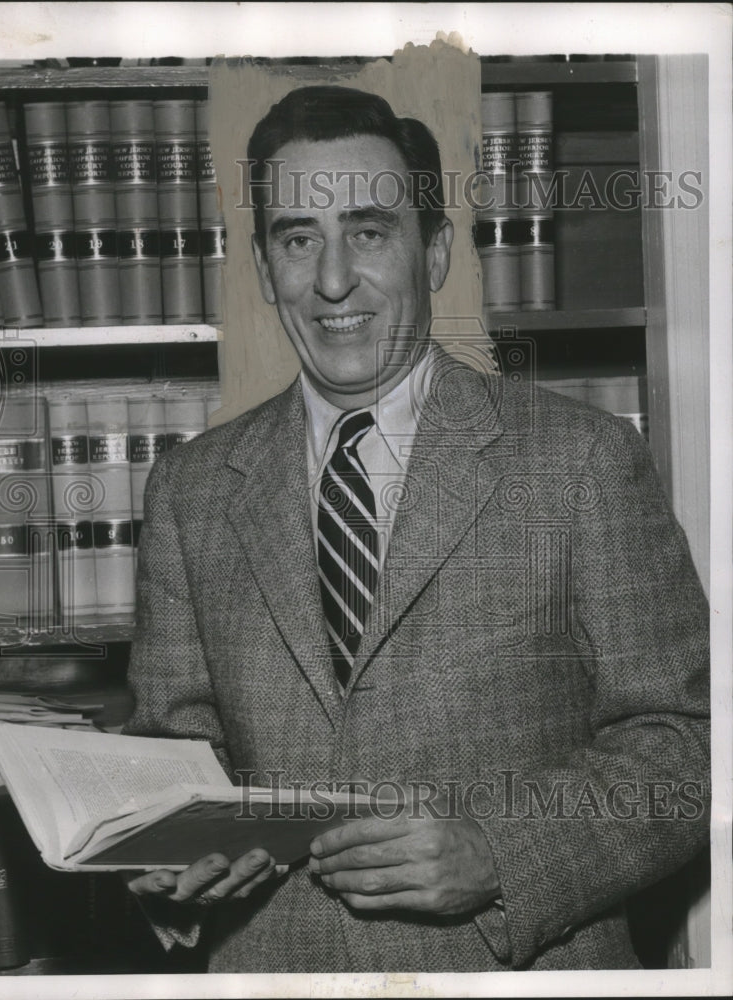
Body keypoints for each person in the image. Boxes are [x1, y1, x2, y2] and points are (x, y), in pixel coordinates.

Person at [123, 85, 709, 972]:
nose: (330, 282)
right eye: (297, 240)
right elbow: (179, 753)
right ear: (260, 267)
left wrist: (503, 851)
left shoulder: (582, 461)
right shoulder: (190, 489)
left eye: (367, 232)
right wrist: (162, 851)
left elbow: (691, 748)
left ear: (434, 253)